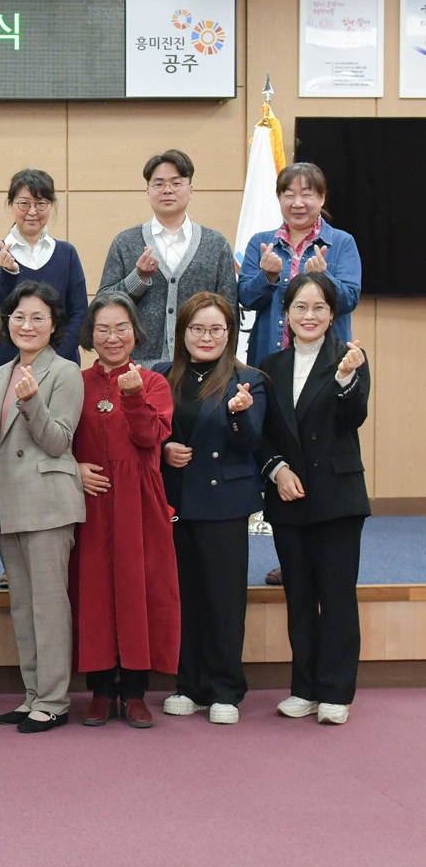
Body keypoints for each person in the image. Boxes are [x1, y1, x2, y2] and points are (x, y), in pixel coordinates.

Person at [258, 271, 370, 726]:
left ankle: (336, 692)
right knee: (300, 597)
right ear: (286, 313)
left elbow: (354, 416)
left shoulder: (349, 357)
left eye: (319, 307)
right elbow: (264, 434)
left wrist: (346, 378)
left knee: (337, 598)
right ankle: (303, 688)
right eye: (300, 307)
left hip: (338, 498)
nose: (309, 315)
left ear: (332, 313)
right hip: (290, 497)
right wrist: (277, 470)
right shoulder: (269, 365)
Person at [153, 293, 266, 725]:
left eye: (216, 329)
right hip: (178, 501)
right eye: (197, 328)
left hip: (224, 504)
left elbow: (251, 442)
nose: (206, 337)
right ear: (182, 332)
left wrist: (238, 414)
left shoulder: (248, 379)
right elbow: (149, 431)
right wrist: (165, 448)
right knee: (184, 596)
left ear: (230, 333)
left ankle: (225, 688)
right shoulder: (162, 375)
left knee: (224, 598)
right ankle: (189, 685)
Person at [71, 292, 179, 729]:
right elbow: (56, 439)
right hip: (91, 501)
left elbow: (149, 439)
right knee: (94, 592)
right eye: (103, 329)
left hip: (140, 502)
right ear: (90, 334)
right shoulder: (76, 381)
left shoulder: (154, 382)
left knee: (140, 591)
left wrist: (132, 397)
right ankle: (99, 692)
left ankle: (134, 693)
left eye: (121, 328)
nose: (112, 337)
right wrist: (73, 470)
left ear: (136, 332)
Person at [0, 280, 85, 733]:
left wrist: (32, 403)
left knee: (48, 606)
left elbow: (58, 441)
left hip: (47, 503)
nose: (26, 325)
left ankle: (54, 700)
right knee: (23, 607)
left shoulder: (65, 372)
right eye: (19, 317)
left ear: (54, 324)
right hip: (8, 503)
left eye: (37, 318)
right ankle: (32, 695)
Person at [98, 150, 238, 362]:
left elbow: (229, 311)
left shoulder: (216, 244)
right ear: (148, 192)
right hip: (141, 367)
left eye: (176, 183)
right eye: (159, 184)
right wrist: (138, 278)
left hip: (200, 366)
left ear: (191, 190)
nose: (167, 190)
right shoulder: (125, 242)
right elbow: (103, 305)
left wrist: (225, 364)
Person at [238, 161, 362, 366]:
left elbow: (349, 301)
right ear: (279, 198)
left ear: (322, 198)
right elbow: (246, 299)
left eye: (306, 195)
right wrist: (267, 277)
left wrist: (323, 278)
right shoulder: (261, 242)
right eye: (289, 195)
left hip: (325, 362)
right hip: (269, 359)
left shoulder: (342, 242)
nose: (297, 203)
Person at [0, 168, 89, 377]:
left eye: (41, 203)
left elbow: (79, 313)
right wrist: (8, 274)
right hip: (8, 367)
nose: (32, 211)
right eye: (24, 203)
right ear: (10, 204)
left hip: (60, 367)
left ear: (51, 205)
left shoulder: (67, 253)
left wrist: (53, 361)